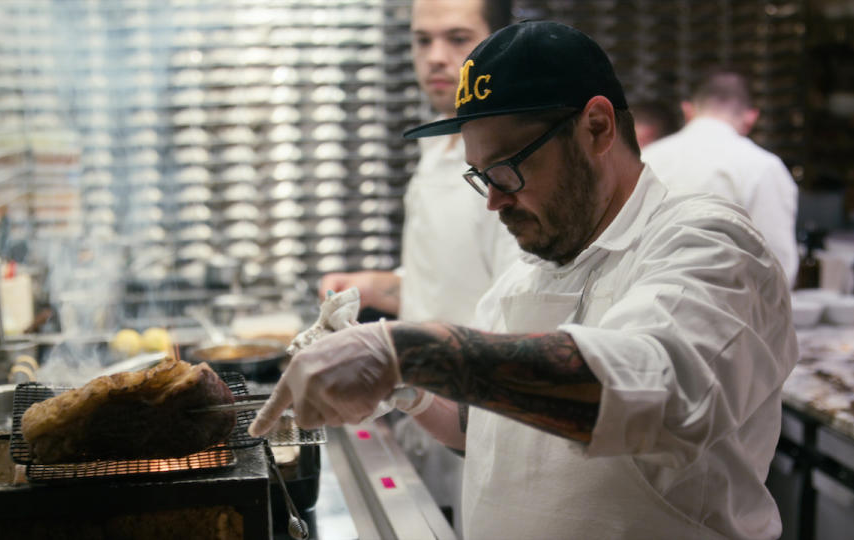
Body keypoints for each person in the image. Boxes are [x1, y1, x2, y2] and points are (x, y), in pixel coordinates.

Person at [251, 21, 797, 540]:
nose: (493, 200)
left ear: (597, 128)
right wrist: (409, 393)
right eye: (481, 176)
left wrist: (409, 349)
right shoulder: (529, 269)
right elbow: (489, 430)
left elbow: (653, 390)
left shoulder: (709, 242)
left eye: (508, 168)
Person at [319, 0, 518, 529]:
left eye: (457, 39)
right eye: (422, 40)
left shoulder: (511, 158)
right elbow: (447, 275)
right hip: (423, 410)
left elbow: (517, 308)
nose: (435, 57)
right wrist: (376, 287)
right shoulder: (439, 141)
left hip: (481, 421)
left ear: (497, 43)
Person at [642, 70, 799, 286]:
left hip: (641, 310)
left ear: (688, 110)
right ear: (751, 118)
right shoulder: (763, 167)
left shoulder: (646, 158)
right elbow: (777, 268)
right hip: (723, 313)